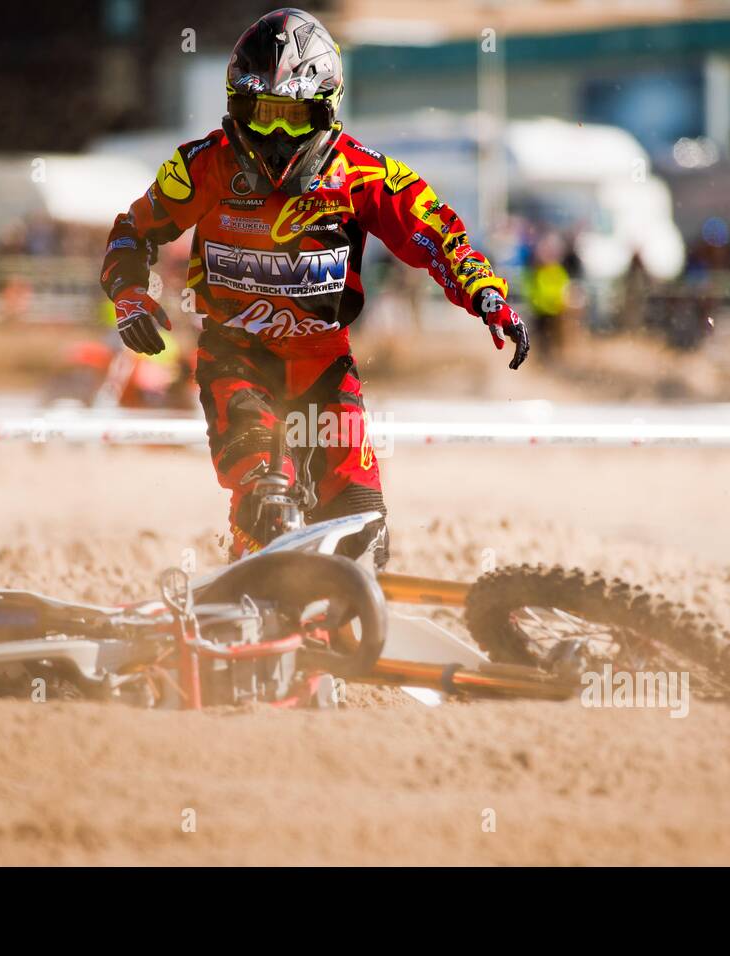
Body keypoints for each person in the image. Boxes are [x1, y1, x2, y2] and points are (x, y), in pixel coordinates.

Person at [99, 7, 528, 568]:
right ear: (237, 107)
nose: (277, 135)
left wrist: (486, 295)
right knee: (265, 500)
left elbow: (441, 234)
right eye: (264, 114)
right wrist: (130, 296)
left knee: (364, 536)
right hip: (237, 358)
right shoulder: (202, 167)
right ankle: (249, 611)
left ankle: (336, 641)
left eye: (294, 117)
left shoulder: (364, 174)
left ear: (326, 110)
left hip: (325, 366)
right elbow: (131, 231)